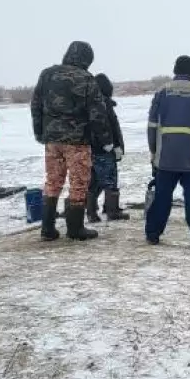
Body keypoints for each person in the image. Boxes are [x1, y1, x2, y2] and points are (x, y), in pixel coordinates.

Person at [31, 41, 112, 241]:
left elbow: (36, 105)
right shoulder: (86, 78)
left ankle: (47, 229)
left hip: (52, 140)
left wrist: (40, 132)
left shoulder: (47, 74)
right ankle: (76, 229)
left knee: (53, 181)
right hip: (77, 141)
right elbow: (98, 114)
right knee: (78, 183)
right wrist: (105, 139)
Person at [145, 55, 190, 248]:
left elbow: (152, 126)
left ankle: (153, 233)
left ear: (175, 70)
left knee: (162, 196)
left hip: (166, 157)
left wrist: (154, 151)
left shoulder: (162, 92)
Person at [86, 73, 128, 223]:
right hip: (104, 149)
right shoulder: (102, 105)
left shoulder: (90, 104)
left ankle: (92, 212)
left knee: (94, 182)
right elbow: (107, 127)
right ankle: (112, 211)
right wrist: (111, 145)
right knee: (110, 180)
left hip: (92, 149)